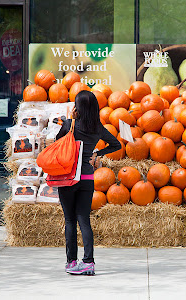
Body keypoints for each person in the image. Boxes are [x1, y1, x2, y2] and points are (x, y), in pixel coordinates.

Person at [56, 90, 121, 275]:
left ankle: (71, 262)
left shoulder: (70, 125)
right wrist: (96, 154)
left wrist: (71, 119)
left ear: (78, 108)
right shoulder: (98, 128)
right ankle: (89, 262)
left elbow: (57, 143)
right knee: (84, 219)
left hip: (68, 178)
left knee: (70, 220)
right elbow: (116, 145)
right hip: (86, 178)